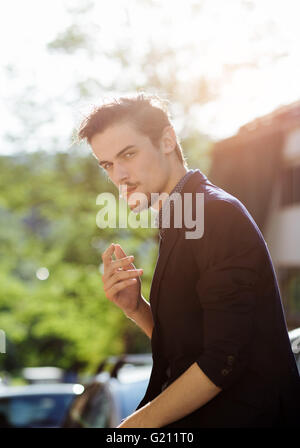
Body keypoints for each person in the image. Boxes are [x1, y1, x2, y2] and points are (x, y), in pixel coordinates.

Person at [77, 92, 300, 428]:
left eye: (129, 154)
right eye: (108, 164)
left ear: (167, 140)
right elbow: (188, 348)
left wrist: (131, 428)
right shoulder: (181, 217)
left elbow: (224, 359)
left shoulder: (214, 212)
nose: (119, 175)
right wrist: (135, 308)